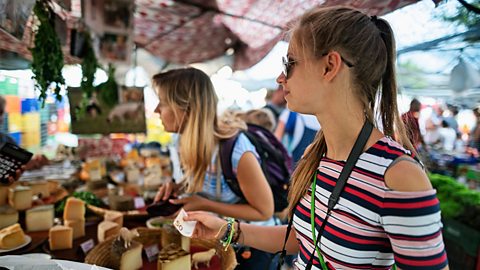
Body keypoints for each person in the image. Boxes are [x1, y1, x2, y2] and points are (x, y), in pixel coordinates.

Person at [184, 6, 449, 270]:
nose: (280, 78)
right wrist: (228, 230)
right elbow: (305, 238)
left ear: (329, 66)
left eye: (289, 64)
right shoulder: (318, 154)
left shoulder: (399, 176)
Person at [152, 68, 277, 269]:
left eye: (163, 103)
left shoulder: (236, 151)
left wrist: (205, 204)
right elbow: (199, 184)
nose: (156, 110)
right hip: (216, 241)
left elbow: (264, 211)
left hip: (250, 247)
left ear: (187, 108)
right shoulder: (180, 141)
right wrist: (178, 188)